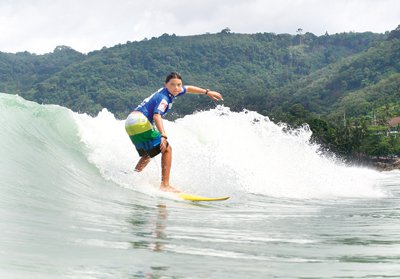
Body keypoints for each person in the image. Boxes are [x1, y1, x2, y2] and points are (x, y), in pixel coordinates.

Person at [125, 72, 223, 192]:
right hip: (140, 121)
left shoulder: (170, 91)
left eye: (178, 85)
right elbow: (157, 116)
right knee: (167, 148)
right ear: (165, 85)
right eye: (173, 85)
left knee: (148, 154)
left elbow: (188, 88)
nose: (176, 88)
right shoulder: (164, 98)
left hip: (130, 122)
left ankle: (133, 177)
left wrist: (207, 92)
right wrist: (163, 135)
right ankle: (165, 185)